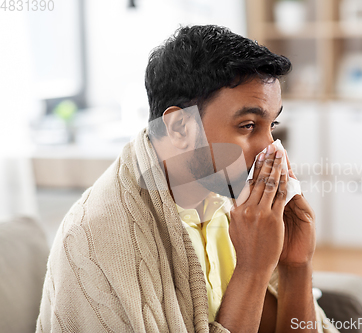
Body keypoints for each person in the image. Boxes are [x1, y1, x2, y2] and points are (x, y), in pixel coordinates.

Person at [37, 25, 336, 333]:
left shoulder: (231, 203)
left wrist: (295, 267)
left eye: (271, 125)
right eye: (248, 125)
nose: (270, 148)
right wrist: (252, 269)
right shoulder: (100, 240)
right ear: (179, 128)